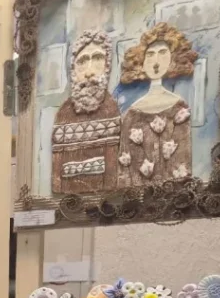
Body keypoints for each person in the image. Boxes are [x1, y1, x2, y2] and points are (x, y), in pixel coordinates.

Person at [117, 23, 198, 186]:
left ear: (173, 58)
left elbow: (183, 160)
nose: (156, 61)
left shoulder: (179, 107)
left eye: (162, 53)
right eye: (150, 55)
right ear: (141, 61)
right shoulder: (132, 113)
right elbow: (125, 166)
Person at [51, 30, 122, 195]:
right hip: (68, 200)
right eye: (82, 61)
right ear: (73, 69)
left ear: (107, 65)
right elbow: (57, 175)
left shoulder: (110, 108)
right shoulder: (64, 113)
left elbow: (112, 172)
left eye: (97, 59)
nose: (89, 72)